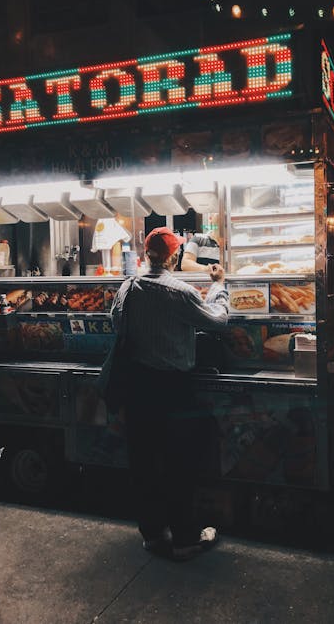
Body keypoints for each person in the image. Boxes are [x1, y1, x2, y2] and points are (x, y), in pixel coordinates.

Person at [110, 226, 229, 561]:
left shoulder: (127, 288)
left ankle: (152, 535)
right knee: (180, 465)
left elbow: (116, 323)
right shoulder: (179, 291)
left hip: (137, 387)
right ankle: (186, 539)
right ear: (175, 255)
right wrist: (219, 286)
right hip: (173, 389)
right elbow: (217, 321)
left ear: (146, 254)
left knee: (144, 464)